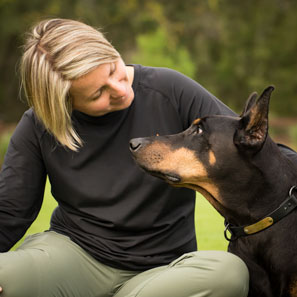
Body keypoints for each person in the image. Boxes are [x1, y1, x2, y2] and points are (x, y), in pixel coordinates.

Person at [1, 17, 273, 297]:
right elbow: (9, 211)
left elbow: (252, 149)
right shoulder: (39, 125)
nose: (120, 90)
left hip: (162, 273)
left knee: (229, 273)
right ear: (65, 105)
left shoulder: (170, 90)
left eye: (113, 69)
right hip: (70, 257)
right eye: (98, 93)